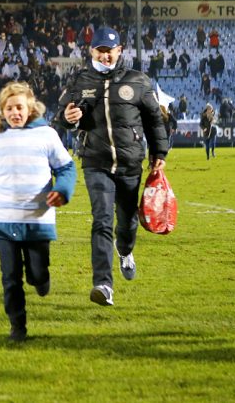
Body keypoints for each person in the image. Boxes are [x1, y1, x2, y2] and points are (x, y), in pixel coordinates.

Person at [0, 82, 76, 342]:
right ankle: (17, 328)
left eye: (19, 107)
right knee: (10, 277)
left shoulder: (47, 135)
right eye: (9, 108)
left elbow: (66, 168)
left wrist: (62, 190)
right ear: (2, 110)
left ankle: (41, 279)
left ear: (29, 107)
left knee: (37, 274)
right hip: (3, 218)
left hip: (37, 218)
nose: (15, 112)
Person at [56, 27, 168, 307]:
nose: (105, 56)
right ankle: (103, 285)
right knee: (102, 219)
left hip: (130, 162)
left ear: (120, 51)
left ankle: (125, 250)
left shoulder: (138, 81)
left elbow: (155, 119)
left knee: (128, 221)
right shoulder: (79, 80)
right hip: (96, 162)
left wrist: (159, 152)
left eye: (110, 51)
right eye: (100, 50)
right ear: (91, 51)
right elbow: (62, 115)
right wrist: (68, 118)